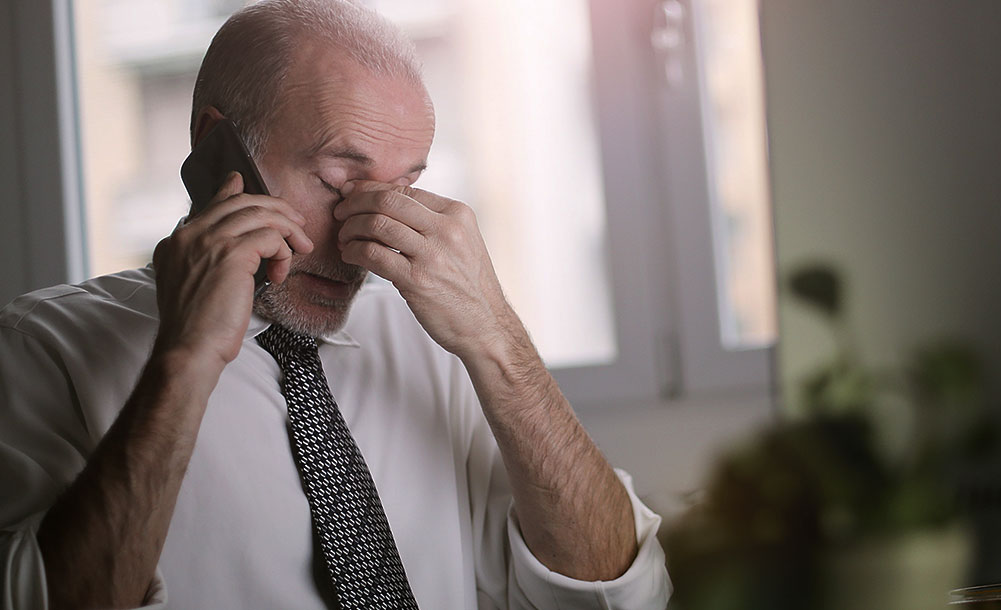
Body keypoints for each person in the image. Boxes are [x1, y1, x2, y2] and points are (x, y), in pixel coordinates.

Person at [0, 1, 671, 608]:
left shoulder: (435, 343)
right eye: (335, 179)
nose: (363, 237)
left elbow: (621, 595)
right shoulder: (42, 349)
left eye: (403, 187)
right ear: (215, 148)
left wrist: (498, 340)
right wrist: (184, 361)